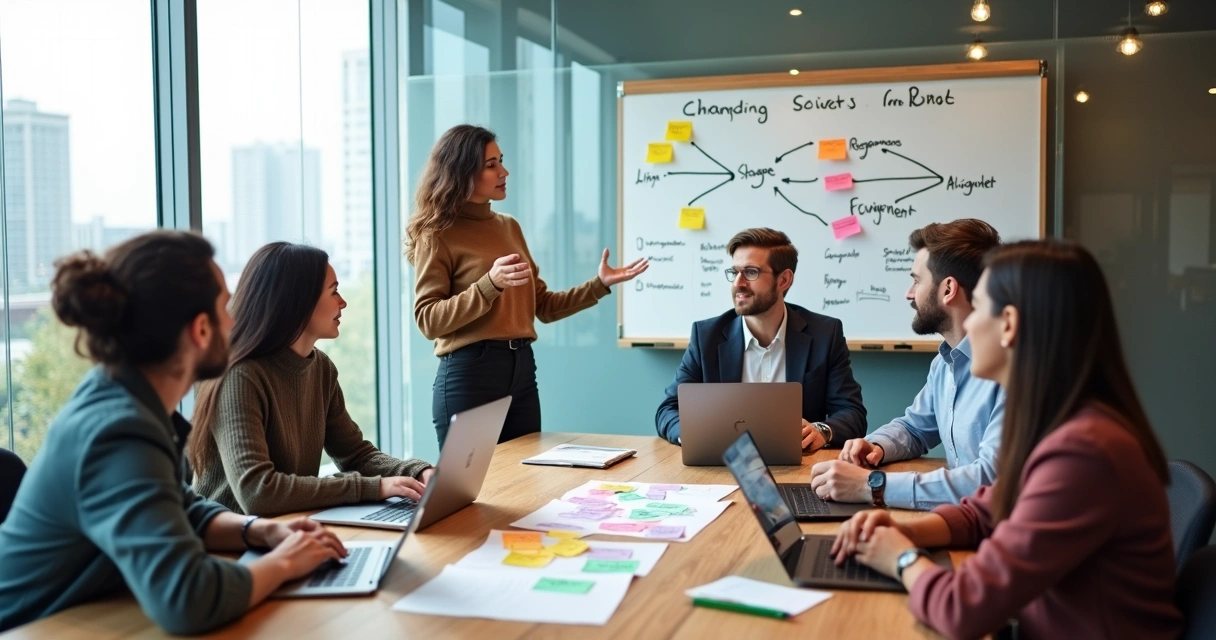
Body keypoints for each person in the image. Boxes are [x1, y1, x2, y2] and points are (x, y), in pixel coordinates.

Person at [830, 240, 1182, 639]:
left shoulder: (1085, 451)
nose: (968, 324)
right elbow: (991, 507)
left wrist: (903, 557)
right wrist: (907, 532)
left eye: (978, 307)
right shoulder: (1059, 419)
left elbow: (962, 610)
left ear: (1009, 324)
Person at [0, 232, 346, 634]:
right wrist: (286, 562)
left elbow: (180, 507)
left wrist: (262, 531)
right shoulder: (117, 431)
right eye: (224, 307)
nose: (234, 321)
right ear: (201, 330)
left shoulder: (123, 400)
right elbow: (189, 599)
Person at [408, 124, 648, 448]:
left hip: (521, 371)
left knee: (524, 485)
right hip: (470, 375)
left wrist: (599, 285)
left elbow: (543, 306)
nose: (503, 171)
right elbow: (428, 319)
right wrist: (489, 284)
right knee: (470, 494)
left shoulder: (508, 226)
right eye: (491, 165)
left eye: (501, 161)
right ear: (462, 172)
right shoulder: (437, 234)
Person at [190, 242, 432, 517]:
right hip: (233, 546)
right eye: (334, 291)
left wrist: (417, 472)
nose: (343, 302)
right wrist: (373, 488)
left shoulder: (321, 369)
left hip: (287, 530)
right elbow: (258, 493)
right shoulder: (239, 376)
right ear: (298, 301)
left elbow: (356, 456)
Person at [810, 219, 1005, 510]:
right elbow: (915, 428)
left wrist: (872, 485)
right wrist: (876, 446)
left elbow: (990, 481)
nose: (909, 293)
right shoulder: (945, 363)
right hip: (967, 521)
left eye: (916, 280)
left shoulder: (1011, 370)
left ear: (948, 288)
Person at [655, 228, 866, 449]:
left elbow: (852, 413)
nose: (738, 283)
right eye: (734, 272)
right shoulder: (706, 336)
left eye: (751, 272)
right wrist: (692, 435)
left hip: (801, 465)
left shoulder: (824, 334)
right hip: (724, 465)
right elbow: (668, 410)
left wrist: (821, 430)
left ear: (784, 280)